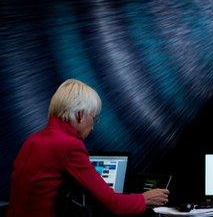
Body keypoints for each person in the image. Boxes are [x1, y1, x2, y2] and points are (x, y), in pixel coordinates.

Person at [7, 79, 169, 217]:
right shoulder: (68, 145)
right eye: (93, 117)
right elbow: (113, 203)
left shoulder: (33, 140)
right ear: (80, 115)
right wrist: (144, 199)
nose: (93, 126)